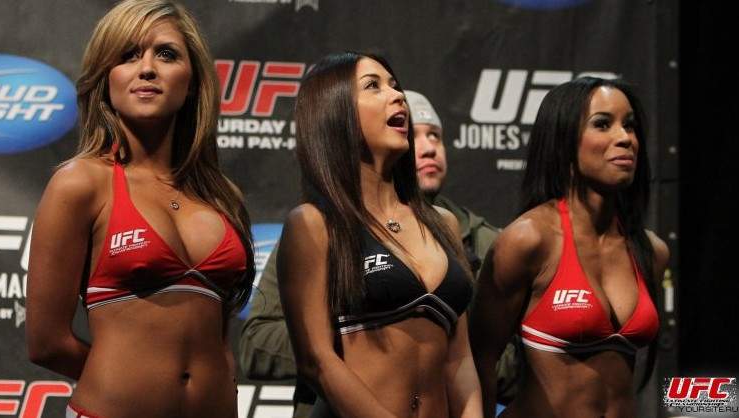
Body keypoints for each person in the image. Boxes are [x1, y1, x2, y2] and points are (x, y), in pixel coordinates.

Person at [25, 1, 255, 417]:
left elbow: (220, 339)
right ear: (105, 79)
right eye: (128, 55)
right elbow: (46, 342)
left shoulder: (222, 198)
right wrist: (130, 381)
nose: (147, 68)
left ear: (192, 81)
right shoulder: (81, 183)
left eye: (166, 54)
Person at [239, 90, 519, 416]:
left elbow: (498, 360)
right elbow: (256, 343)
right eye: (415, 134)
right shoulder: (320, 227)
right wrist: (343, 338)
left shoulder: (476, 237)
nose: (428, 147)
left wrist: (434, 342)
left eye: (435, 136)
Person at [276, 51, 482, 418]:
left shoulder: (444, 224)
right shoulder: (314, 225)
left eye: (395, 85)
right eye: (373, 86)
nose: (397, 95)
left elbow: (460, 358)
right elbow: (317, 360)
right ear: (335, 111)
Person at [469, 77, 669, 418]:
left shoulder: (651, 252)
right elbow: (478, 360)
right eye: (602, 124)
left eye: (630, 125)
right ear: (563, 140)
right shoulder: (529, 240)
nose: (625, 138)